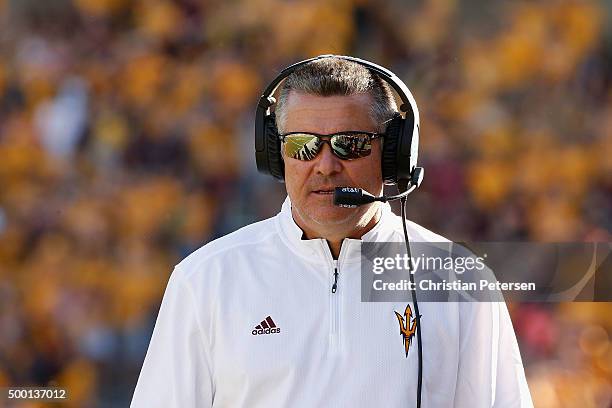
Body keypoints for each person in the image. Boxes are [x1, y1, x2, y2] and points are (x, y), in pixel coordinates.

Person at [131, 55, 534, 407]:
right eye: (303, 144)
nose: (324, 165)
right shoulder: (205, 280)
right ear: (276, 154)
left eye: (350, 143)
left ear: (394, 153)